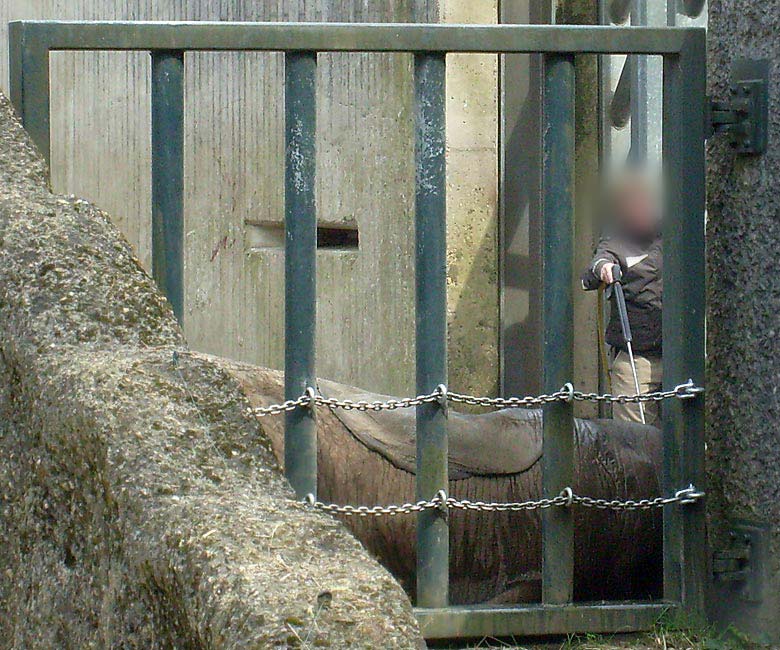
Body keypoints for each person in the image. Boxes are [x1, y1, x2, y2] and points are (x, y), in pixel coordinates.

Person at [581, 171, 662, 425]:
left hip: (679, 355)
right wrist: (604, 268)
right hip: (636, 358)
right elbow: (592, 272)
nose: (641, 211)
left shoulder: (672, 233)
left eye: (644, 203)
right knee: (635, 441)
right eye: (633, 206)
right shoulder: (616, 241)